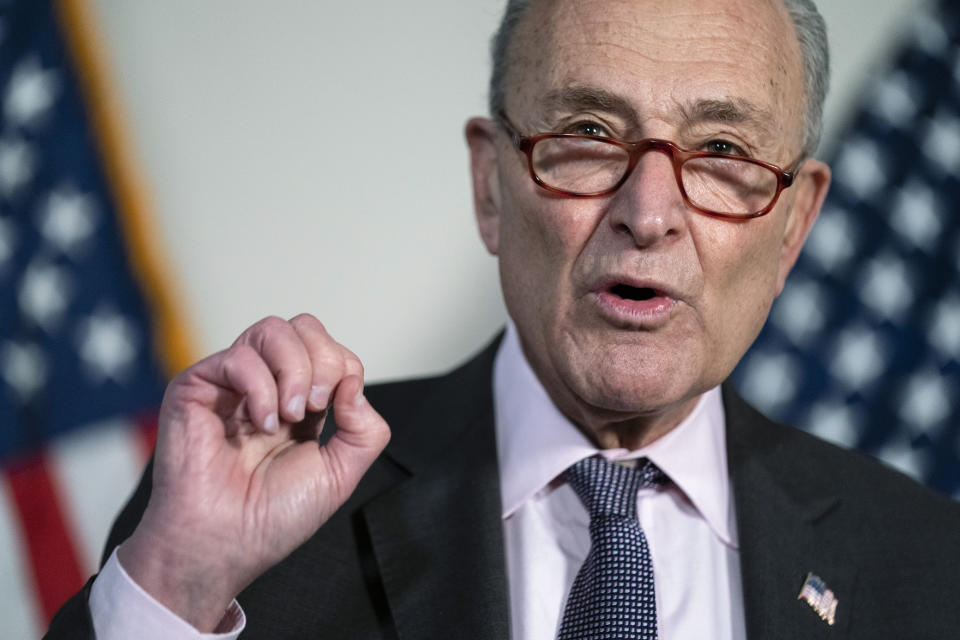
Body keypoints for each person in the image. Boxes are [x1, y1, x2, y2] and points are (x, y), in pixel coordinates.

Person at [47, 0, 960, 638]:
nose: (648, 213)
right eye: (590, 134)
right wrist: (176, 588)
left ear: (795, 221)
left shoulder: (928, 568)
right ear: (490, 185)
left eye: (721, 151)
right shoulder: (258, 516)